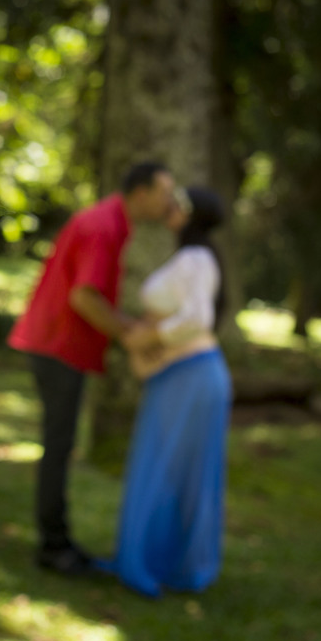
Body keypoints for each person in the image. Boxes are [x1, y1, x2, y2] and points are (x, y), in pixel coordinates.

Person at [8, 162, 177, 575]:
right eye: (164, 193)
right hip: (57, 345)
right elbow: (85, 296)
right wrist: (128, 333)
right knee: (59, 445)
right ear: (140, 192)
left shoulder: (111, 221)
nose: (169, 201)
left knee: (59, 445)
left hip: (58, 344)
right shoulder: (104, 227)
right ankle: (54, 546)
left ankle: (57, 540)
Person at [99, 186, 233, 597]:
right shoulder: (193, 257)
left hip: (190, 374)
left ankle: (160, 564)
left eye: (177, 202)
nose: (169, 206)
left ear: (189, 214)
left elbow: (198, 318)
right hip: (182, 374)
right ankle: (160, 560)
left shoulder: (196, 258)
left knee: (169, 468)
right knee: (168, 467)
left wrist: (147, 337)